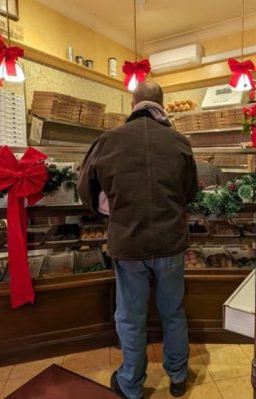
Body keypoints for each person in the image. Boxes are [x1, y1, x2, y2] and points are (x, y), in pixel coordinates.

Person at [77, 81, 198, 399]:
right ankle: (178, 376)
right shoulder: (179, 142)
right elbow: (190, 193)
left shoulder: (108, 140)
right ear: (163, 104)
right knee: (173, 311)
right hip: (171, 241)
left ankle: (131, 384)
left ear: (133, 103)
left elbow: (85, 189)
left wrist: (109, 208)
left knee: (130, 317)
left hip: (128, 244)